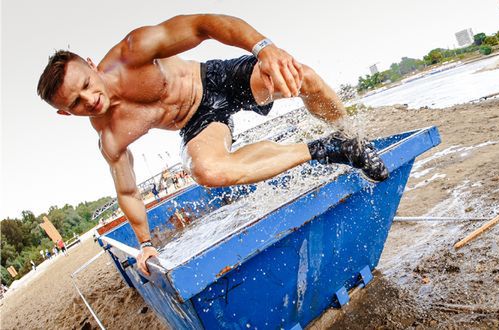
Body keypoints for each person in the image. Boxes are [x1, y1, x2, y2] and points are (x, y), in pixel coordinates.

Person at [37, 14, 388, 276]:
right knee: (206, 170)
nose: (90, 99)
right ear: (67, 114)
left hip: (215, 80)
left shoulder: (133, 51)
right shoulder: (110, 137)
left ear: (90, 63)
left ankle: (352, 134)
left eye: (85, 83)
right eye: (77, 103)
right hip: (197, 124)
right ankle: (333, 148)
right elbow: (128, 191)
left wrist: (265, 49)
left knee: (299, 75)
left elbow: (204, 25)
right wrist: (145, 245)